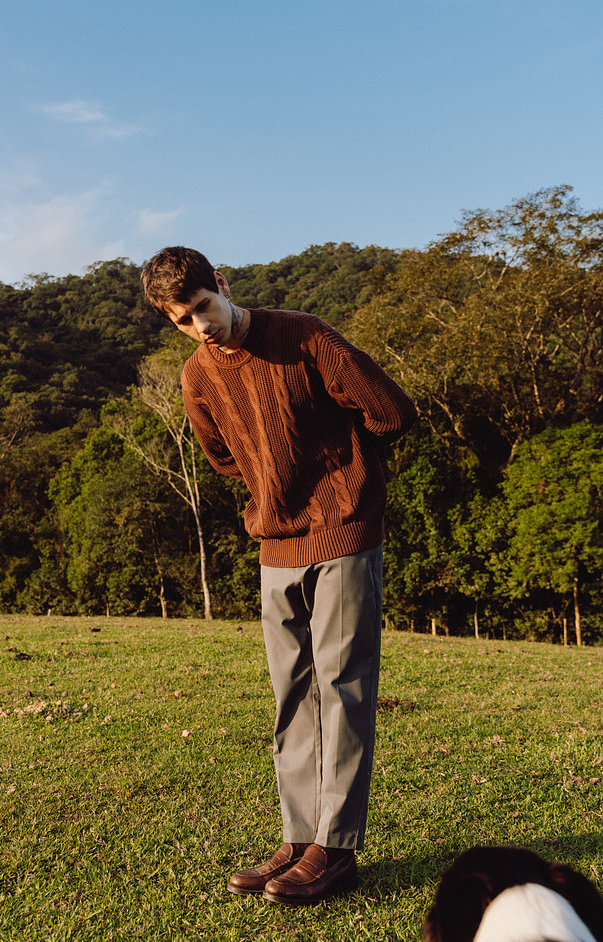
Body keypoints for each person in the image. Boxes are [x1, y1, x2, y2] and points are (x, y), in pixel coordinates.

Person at [140, 246, 417, 906]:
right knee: (292, 694)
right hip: (276, 541)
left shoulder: (304, 335)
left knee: (342, 686)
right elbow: (224, 459)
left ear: (223, 286)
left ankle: (336, 848)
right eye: (183, 321)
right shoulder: (197, 378)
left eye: (204, 309)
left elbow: (391, 411)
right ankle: (298, 840)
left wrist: (343, 466)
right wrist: (275, 479)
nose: (201, 328)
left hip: (344, 529)